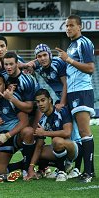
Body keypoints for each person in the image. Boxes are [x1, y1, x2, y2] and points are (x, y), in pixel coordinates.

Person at [55, 15, 95, 183]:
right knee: (78, 133)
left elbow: (90, 68)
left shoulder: (83, 42)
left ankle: (90, 172)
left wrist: (68, 59)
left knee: (85, 132)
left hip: (82, 91)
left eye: (71, 25)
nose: (68, 28)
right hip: (73, 92)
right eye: (66, 26)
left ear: (80, 27)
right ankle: (79, 169)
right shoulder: (72, 45)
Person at [24, 89, 82, 182]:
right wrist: (31, 168)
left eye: (43, 100)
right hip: (59, 149)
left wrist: (45, 133)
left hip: (75, 148)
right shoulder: (43, 120)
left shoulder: (61, 110)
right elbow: (39, 147)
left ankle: (62, 171)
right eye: (38, 102)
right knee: (35, 151)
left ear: (50, 100)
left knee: (56, 140)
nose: (40, 104)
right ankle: (44, 170)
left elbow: (67, 133)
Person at [0, 74, 34, 175]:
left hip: (17, 135)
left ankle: (26, 169)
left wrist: (8, 135)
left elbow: (24, 122)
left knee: (28, 131)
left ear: (4, 86)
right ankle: (20, 165)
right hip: (2, 138)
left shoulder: (12, 97)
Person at [29, 44, 67, 111]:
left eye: (45, 55)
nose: (43, 58)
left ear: (49, 55)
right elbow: (19, 65)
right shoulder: (37, 66)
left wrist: (62, 103)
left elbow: (66, 83)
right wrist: (28, 65)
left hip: (67, 96)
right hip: (55, 99)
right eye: (39, 56)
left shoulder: (57, 62)